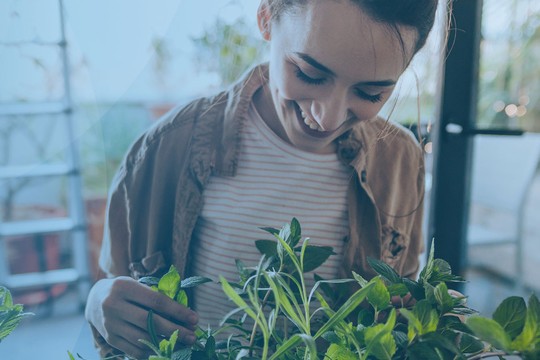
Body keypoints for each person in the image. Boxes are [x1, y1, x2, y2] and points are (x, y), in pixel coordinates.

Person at [85, 0, 438, 358]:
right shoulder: (166, 148)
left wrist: (428, 313)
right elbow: (113, 293)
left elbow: (401, 299)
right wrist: (99, 303)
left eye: (370, 93)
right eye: (309, 74)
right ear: (267, 17)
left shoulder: (401, 162)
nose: (327, 118)